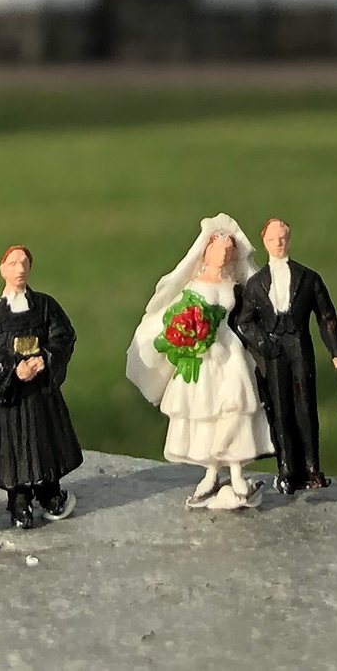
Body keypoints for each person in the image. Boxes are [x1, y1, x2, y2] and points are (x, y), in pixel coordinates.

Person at [126, 214, 272, 510]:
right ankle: (211, 471)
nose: (223, 254)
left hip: (230, 352)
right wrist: (193, 340)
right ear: (206, 251)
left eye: (228, 251)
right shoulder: (193, 286)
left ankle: (237, 471)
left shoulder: (234, 287)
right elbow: (180, 318)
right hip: (203, 355)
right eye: (218, 249)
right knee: (206, 410)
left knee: (236, 407)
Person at [229, 216, 337, 493]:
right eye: (273, 240)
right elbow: (244, 321)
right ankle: (286, 468)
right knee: (280, 407)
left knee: (306, 406)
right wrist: (263, 343)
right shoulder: (256, 283)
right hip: (274, 349)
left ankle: (312, 467)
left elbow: (326, 317)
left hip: (299, 345)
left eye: (283, 238)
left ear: (289, 239)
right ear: (265, 242)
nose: (279, 244)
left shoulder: (308, 278)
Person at [0, 243, 83, 530]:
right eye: (13, 263)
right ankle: (19, 499)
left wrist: (45, 358)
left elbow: (64, 335)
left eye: (24, 263)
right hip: (9, 398)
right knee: (12, 446)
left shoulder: (44, 306)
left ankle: (49, 493)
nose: (20, 269)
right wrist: (11, 369)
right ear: (2, 269)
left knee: (45, 441)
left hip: (40, 395)